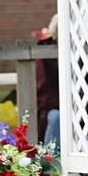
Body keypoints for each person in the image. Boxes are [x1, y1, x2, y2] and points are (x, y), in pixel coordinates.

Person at [36, 14, 60, 153]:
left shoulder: (84, 50)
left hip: (82, 107)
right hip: (52, 106)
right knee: (56, 117)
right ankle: (50, 159)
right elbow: (43, 89)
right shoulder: (44, 51)